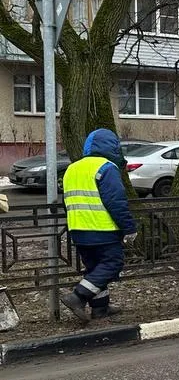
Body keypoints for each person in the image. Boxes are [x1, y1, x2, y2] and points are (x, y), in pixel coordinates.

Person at [59, 128, 136, 322]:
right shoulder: (106, 167)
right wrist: (129, 228)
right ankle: (78, 297)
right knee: (113, 263)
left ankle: (100, 309)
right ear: (113, 148)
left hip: (78, 229)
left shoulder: (73, 168)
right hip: (102, 228)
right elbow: (116, 201)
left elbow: (66, 201)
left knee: (94, 269)